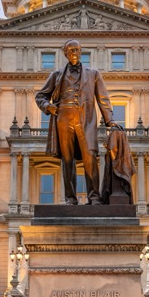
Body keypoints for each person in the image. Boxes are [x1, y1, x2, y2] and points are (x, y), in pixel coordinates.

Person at [35, 39, 118, 204]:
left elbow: (103, 99)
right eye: (71, 50)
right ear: (66, 54)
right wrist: (48, 106)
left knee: (90, 157)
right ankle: (70, 199)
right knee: (67, 160)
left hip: (86, 119)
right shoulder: (56, 75)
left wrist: (110, 120)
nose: (75, 53)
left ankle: (94, 197)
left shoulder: (93, 74)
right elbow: (40, 96)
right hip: (63, 118)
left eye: (78, 50)